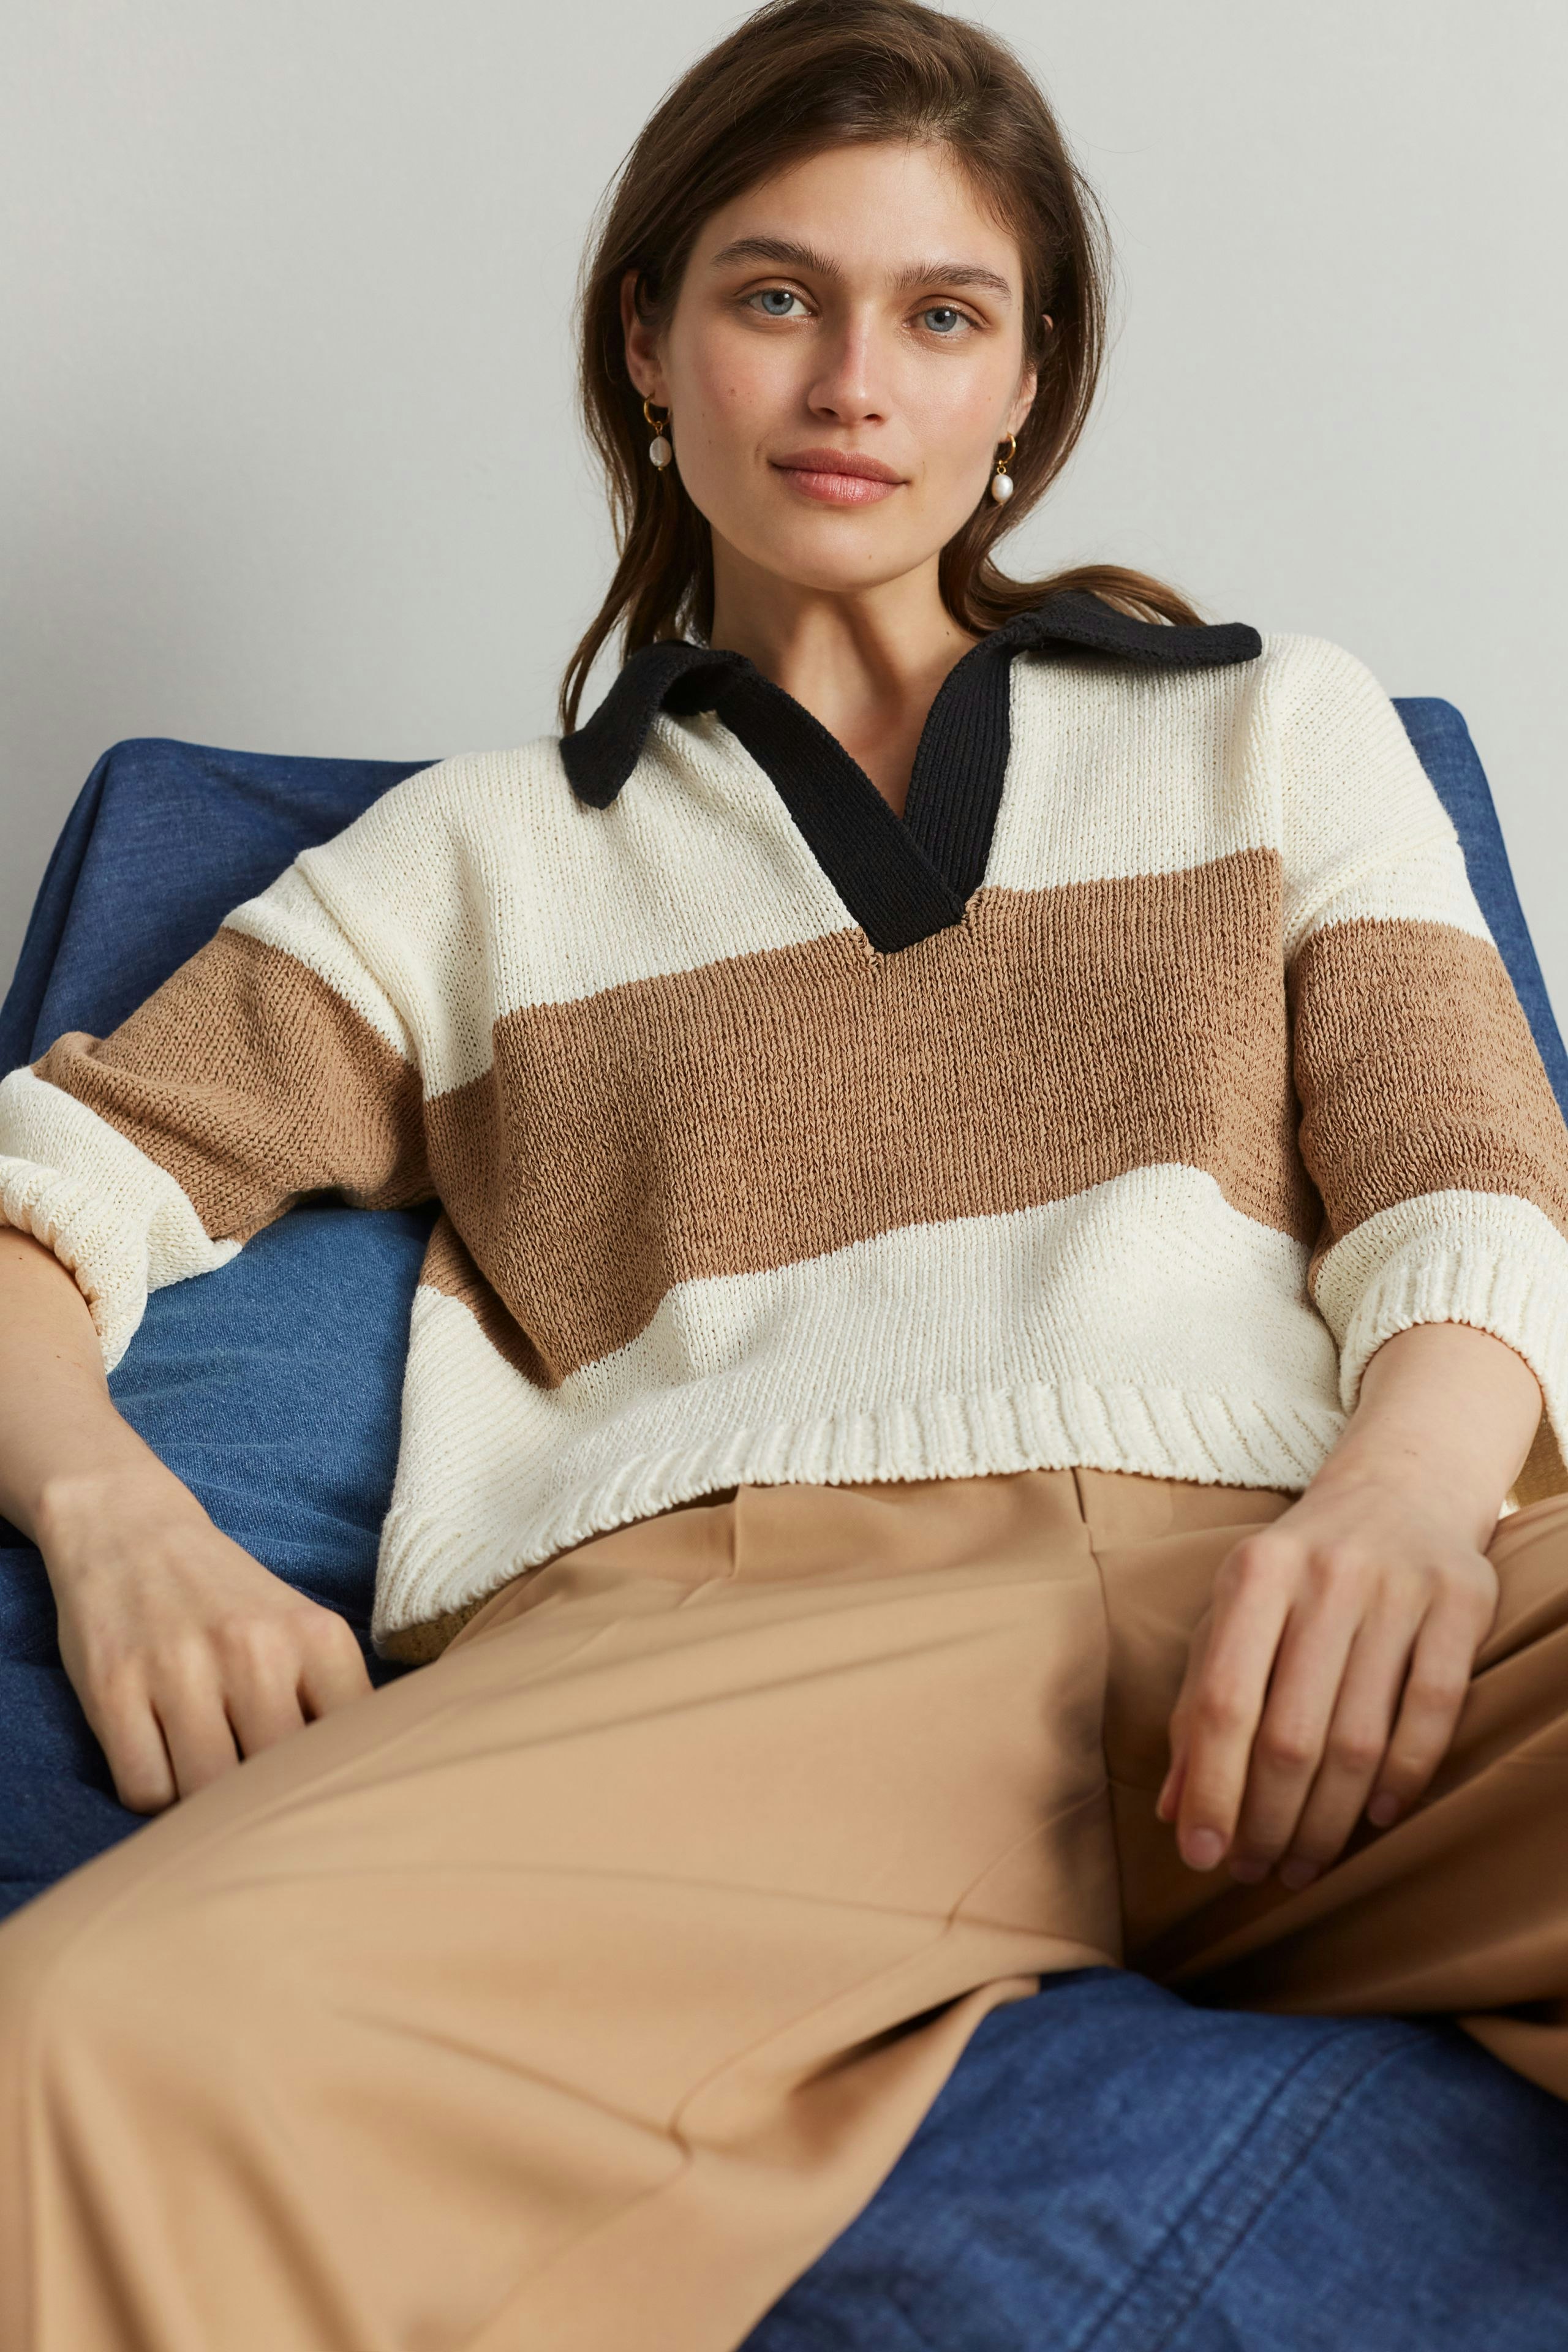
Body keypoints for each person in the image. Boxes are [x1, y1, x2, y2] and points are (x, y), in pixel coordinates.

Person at [2, 1, 1567, 2345]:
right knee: (83, 2048)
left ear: (1026, 386)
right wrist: (118, 1525)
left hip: (1319, 1604)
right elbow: (43, 1197)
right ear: (650, 347)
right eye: (775, 295)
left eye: (943, 316)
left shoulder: (1278, 724)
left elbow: (1467, 1160)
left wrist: (1416, 1491)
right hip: (734, 1674)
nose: (857, 383)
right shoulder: (464, 869)